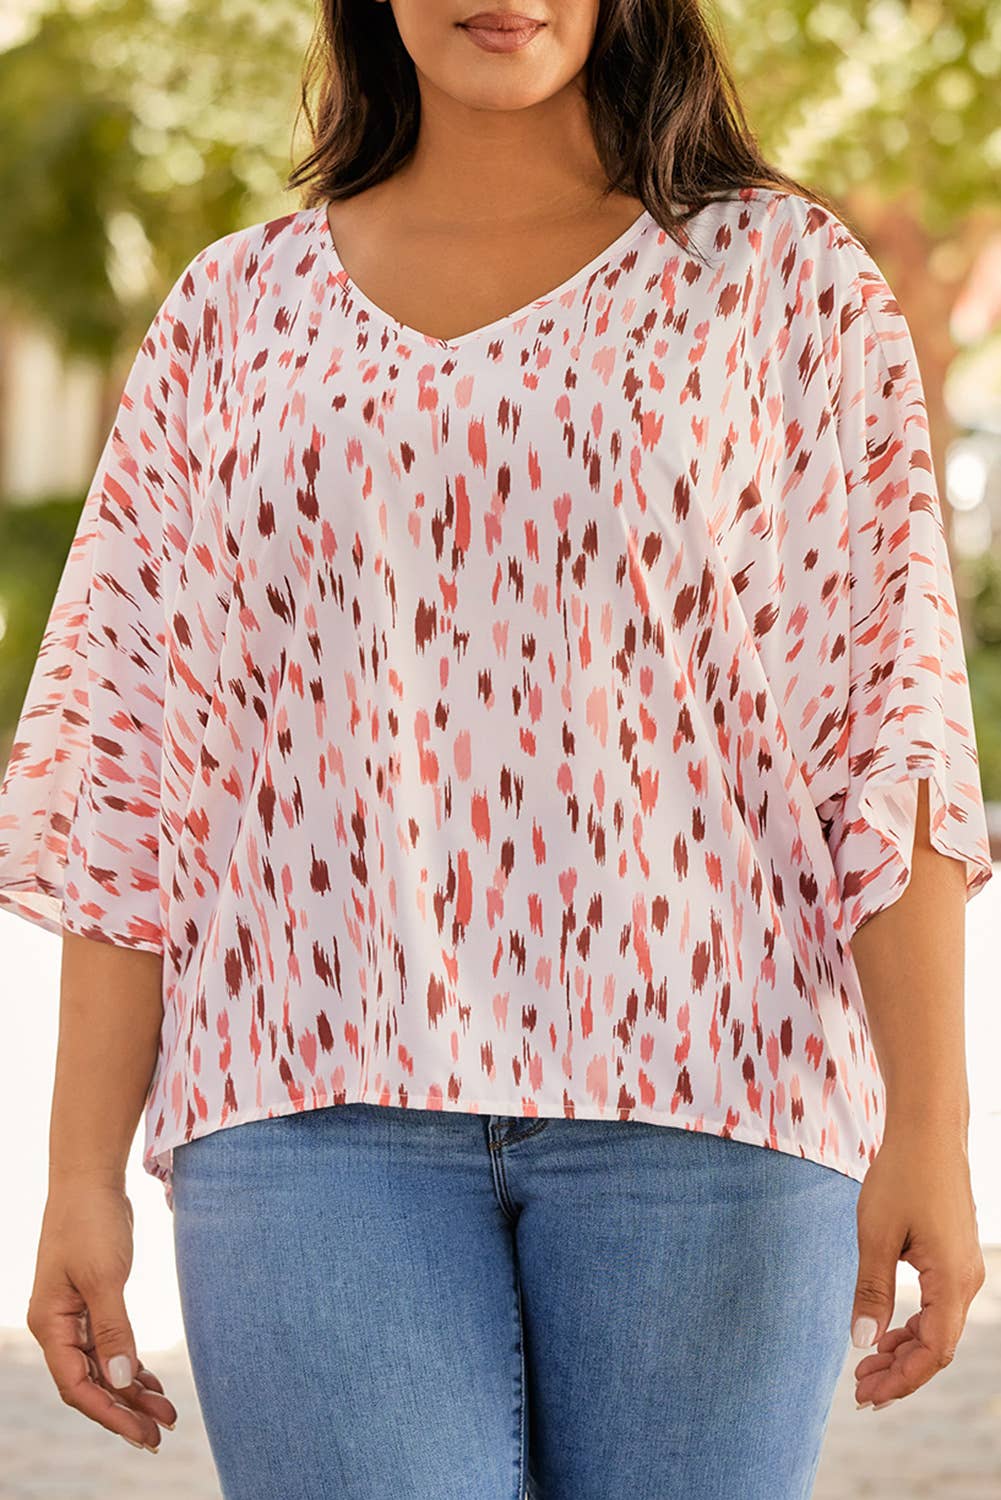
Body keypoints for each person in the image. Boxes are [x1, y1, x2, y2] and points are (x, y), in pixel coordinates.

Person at [0, 2, 993, 1496]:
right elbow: (129, 761)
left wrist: (932, 1122)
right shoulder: (232, 313)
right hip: (304, 1100)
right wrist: (78, 1174)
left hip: (715, 1095)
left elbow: (887, 721)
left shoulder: (785, 280)